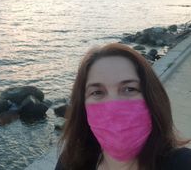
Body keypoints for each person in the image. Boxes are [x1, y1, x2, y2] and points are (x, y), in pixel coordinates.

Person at [55, 43, 191, 170]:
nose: (113, 105)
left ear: (152, 98)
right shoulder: (70, 163)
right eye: (97, 92)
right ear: (83, 107)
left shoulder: (183, 163)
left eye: (129, 89)